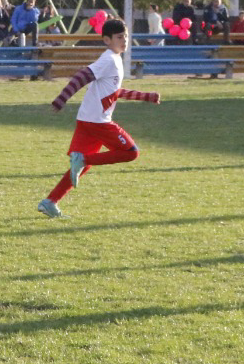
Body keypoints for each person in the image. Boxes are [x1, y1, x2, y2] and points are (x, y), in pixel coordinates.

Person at [36, 19, 160, 218]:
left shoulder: (115, 60)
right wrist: (61, 99)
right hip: (97, 122)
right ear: (106, 40)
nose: (124, 40)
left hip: (87, 120)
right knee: (131, 152)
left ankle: (50, 202)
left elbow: (115, 91)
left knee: (81, 167)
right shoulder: (109, 59)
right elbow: (81, 76)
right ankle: (81, 159)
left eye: (126, 36)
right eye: (120, 37)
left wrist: (145, 96)